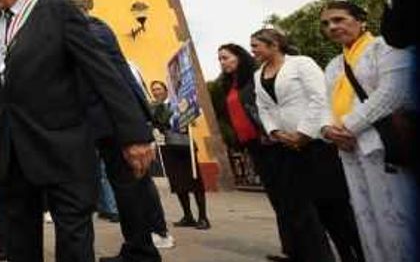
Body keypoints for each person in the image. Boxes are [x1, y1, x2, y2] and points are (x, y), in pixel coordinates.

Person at [0, 0, 154, 262]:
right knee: (19, 240)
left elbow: (102, 72)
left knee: (73, 238)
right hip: (13, 152)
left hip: (63, 147)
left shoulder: (56, 10)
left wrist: (135, 133)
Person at [251, 27, 364, 262]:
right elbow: (264, 107)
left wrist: (303, 132)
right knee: (303, 212)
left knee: (333, 208)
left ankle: (353, 255)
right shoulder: (257, 75)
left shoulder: (301, 63)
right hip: (286, 148)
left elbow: (320, 97)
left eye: (256, 46)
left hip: (316, 145)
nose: (253, 51)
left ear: (273, 44)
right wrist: (276, 132)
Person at [319, 0, 416, 262]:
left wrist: (348, 125)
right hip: (349, 150)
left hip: (383, 147)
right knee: (366, 217)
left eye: (339, 19)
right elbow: (324, 104)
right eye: (327, 23)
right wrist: (328, 128)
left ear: (361, 20)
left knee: (397, 216)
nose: (332, 26)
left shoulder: (385, 48)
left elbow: (394, 92)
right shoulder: (333, 65)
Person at [84, 15, 170, 262]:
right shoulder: (95, 29)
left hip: (120, 124)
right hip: (117, 123)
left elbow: (112, 82)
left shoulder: (92, 32)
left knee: (133, 188)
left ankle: (143, 252)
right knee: (130, 188)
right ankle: (138, 247)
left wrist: (134, 132)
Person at [211, 43, 292, 262]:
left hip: (270, 141)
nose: (222, 62)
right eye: (220, 59)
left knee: (288, 197)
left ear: (239, 57)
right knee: (276, 198)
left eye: (226, 57)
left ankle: (305, 248)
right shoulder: (228, 85)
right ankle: (291, 248)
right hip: (252, 145)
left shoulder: (255, 78)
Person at [149, 81, 210, 230]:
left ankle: (203, 217)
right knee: (178, 183)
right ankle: (188, 215)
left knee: (195, 182)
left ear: (166, 90)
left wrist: (188, 118)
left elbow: (194, 116)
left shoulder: (178, 104)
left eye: (159, 89)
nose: (156, 92)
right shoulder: (154, 108)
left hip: (185, 145)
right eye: (154, 90)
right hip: (168, 147)